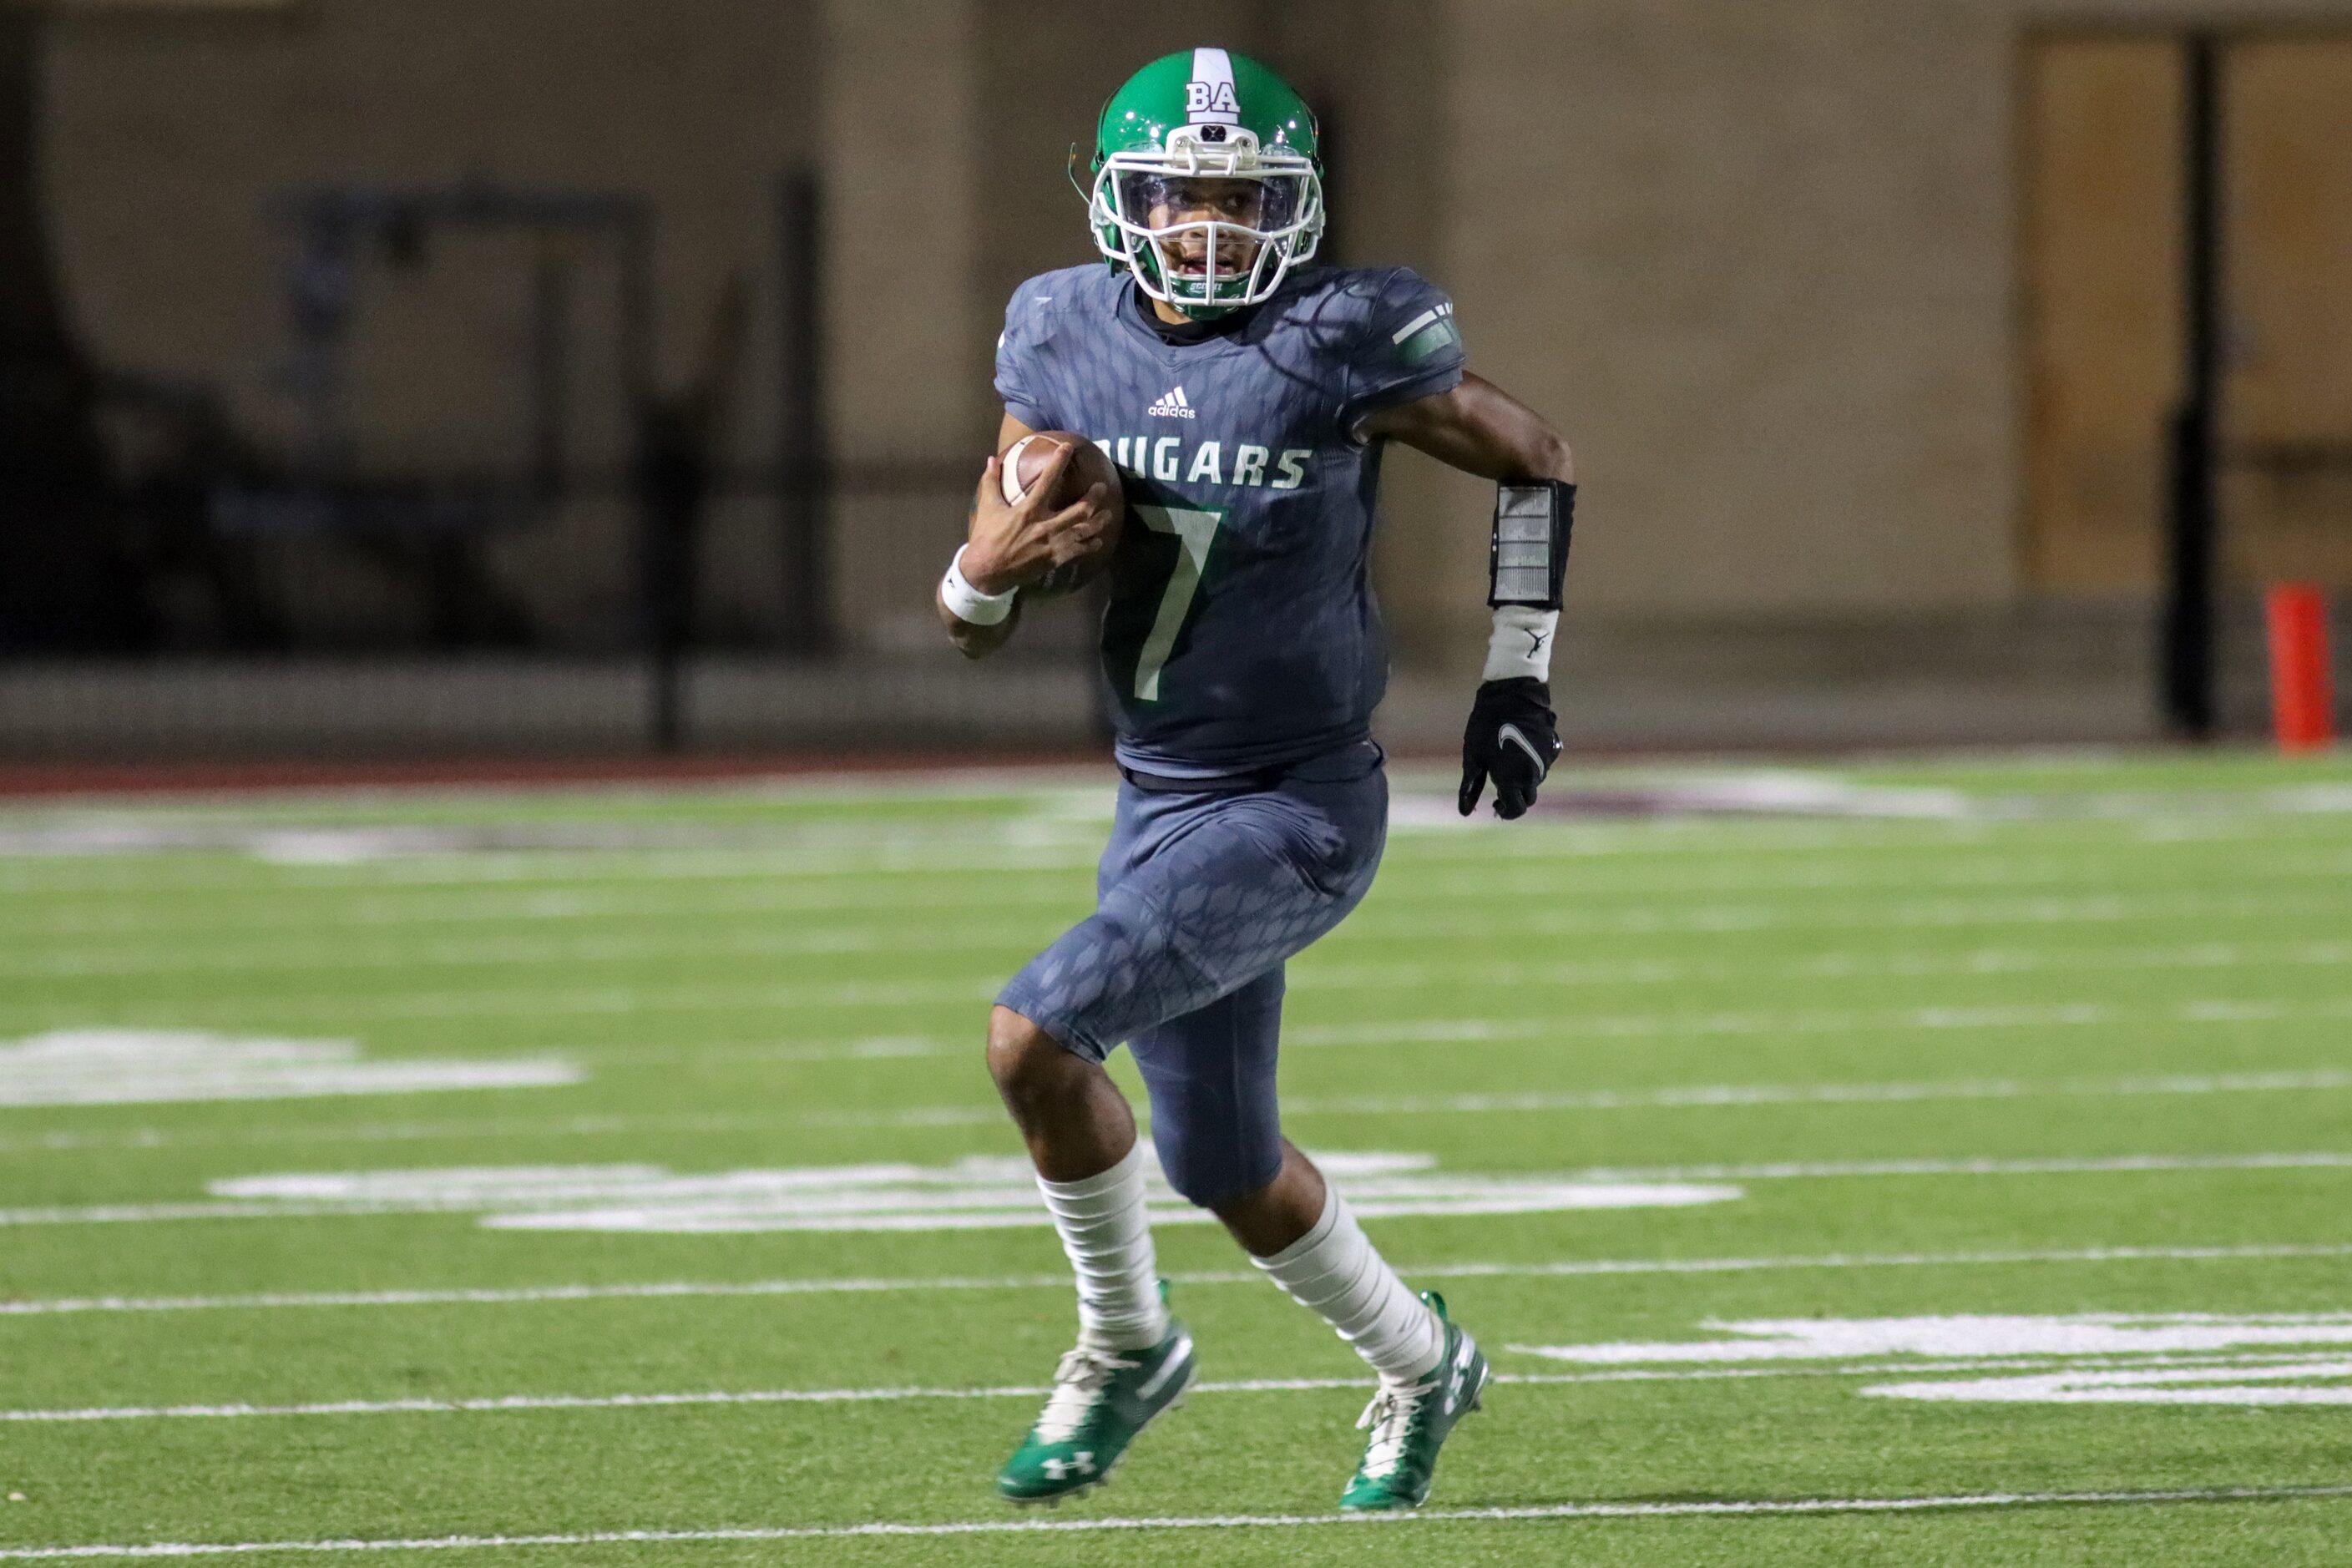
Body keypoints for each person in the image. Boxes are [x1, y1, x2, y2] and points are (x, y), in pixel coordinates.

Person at [933, 47, 1576, 1513]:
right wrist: (982, 573)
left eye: (1242, 197)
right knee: (1221, 1159)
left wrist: (1518, 673)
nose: (1211, 226)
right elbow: (984, 582)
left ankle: (1123, 1342)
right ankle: (1423, 1362)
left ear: (1295, 206)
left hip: (1296, 804)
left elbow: (1534, 456)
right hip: (1155, 795)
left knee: (1032, 1037)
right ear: (1118, 198)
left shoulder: (1349, 332)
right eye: (1180, 193)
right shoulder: (1056, 326)